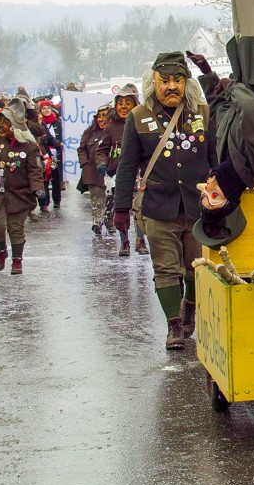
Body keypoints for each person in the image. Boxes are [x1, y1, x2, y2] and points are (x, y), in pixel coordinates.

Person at [114, 53, 213, 350]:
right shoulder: (138, 117)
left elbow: (216, 159)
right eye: (165, 81)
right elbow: (127, 166)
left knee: (198, 268)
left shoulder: (203, 114)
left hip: (197, 208)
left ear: (186, 83)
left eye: (178, 80)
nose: (172, 87)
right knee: (166, 270)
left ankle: (189, 307)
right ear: (154, 82)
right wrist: (120, 208)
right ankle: (173, 326)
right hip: (159, 206)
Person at [0, 99, 46, 275]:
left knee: (15, 229)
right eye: (0, 122)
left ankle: (17, 261)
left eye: (5, 122)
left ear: (15, 125)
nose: (1, 125)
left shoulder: (29, 147)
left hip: (20, 195)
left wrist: (37, 188)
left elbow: (35, 171)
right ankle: (1, 253)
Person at [106, 84, 147, 256]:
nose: (123, 106)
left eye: (128, 102)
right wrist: (102, 164)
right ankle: (124, 242)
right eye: (120, 102)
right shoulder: (111, 127)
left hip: (140, 176)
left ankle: (140, 240)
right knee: (121, 208)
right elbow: (101, 149)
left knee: (139, 209)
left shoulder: (144, 122)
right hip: (119, 175)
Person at [78, 104, 113, 236]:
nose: (102, 119)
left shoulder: (116, 131)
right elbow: (81, 149)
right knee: (97, 198)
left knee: (110, 198)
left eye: (105, 116)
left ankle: (110, 222)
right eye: (99, 116)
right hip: (92, 172)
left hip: (111, 172)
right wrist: (85, 164)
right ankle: (97, 222)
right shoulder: (89, 133)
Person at [36, 99, 63, 211]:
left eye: (48, 108)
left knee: (55, 178)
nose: (46, 110)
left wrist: (59, 144)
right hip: (41, 155)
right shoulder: (37, 123)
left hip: (52, 155)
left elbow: (52, 138)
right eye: (44, 108)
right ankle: (44, 203)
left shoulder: (56, 122)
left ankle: (56, 201)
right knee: (43, 179)